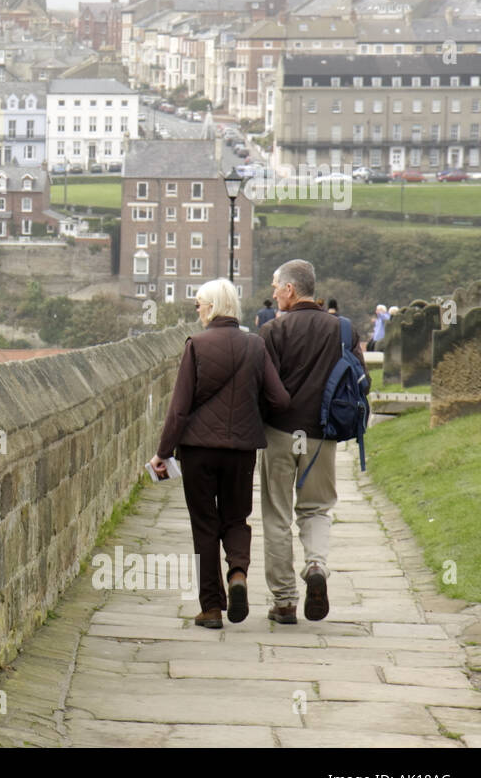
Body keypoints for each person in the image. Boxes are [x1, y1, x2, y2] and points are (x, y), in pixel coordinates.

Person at [149, 278, 290, 629]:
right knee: (236, 518)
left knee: (205, 526)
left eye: (199, 303)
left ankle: (211, 607)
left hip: (197, 451)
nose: (197, 309)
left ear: (212, 307)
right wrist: (250, 415)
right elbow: (280, 399)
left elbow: (179, 409)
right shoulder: (255, 346)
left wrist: (162, 453)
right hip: (241, 450)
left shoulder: (195, 345)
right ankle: (238, 574)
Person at [259, 259, 368, 623]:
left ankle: (285, 601)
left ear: (290, 289)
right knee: (317, 509)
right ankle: (317, 565)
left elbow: (261, 388)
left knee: (277, 515)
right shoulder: (342, 330)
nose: (273, 293)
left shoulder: (272, 332)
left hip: (279, 432)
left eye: (276, 286)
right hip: (322, 435)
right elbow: (359, 380)